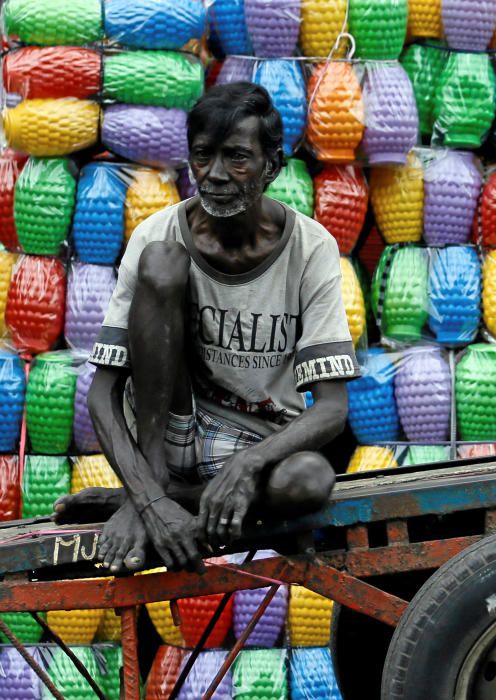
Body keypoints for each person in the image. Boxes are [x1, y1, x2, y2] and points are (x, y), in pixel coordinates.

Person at [54, 82, 358, 574]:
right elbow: (102, 394)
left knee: (310, 481)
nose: (215, 175)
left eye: (237, 158)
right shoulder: (159, 234)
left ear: (272, 166)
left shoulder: (310, 247)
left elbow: (332, 409)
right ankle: (153, 488)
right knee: (162, 263)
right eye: (202, 157)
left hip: (255, 442)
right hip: (167, 429)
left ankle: (155, 497)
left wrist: (248, 463)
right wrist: (148, 498)